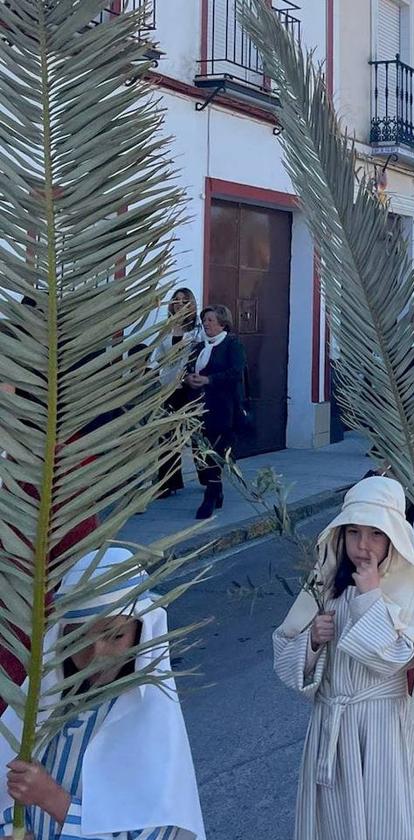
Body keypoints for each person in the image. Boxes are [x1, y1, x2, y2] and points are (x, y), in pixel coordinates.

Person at [273, 476, 414, 840]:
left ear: (393, 536)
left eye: (375, 534)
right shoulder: (326, 582)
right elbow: (285, 654)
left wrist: (370, 597)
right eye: (353, 533)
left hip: (380, 728)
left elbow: (395, 658)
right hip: (330, 721)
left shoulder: (407, 586)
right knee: (331, 823)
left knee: (381, 820)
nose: (362, 546)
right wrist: (313, 642)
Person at [0, 547, 206, 839]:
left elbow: (155, 832)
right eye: (79, 636)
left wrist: (53, 800)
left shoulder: (150, 724)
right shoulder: (46, 705)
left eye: (115, 636)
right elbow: (7, 790)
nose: (95, 654)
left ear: (141, 632)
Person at [187, 304, 246, 520]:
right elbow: (188, 369)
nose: (206, 324)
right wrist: (190, 379)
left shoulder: (232, 344)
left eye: (211, 320)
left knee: (214, 450)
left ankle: (211, 495)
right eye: (205, 321)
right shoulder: (198, 347)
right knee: (199, 450)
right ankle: (215, 489)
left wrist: (209, 379)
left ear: (222, 322)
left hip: (222, 408)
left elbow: (236, 372)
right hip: (197, 407)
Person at [151, 287, 203, 498]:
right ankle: (168, 482)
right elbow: (157, 356)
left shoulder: (198, 331)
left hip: (189, 388)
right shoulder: (165, 329)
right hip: (168, 387)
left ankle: (209, 478)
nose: (179, 303)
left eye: (184, 300)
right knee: (167, 436)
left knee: (195, 436)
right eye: (176, 299)